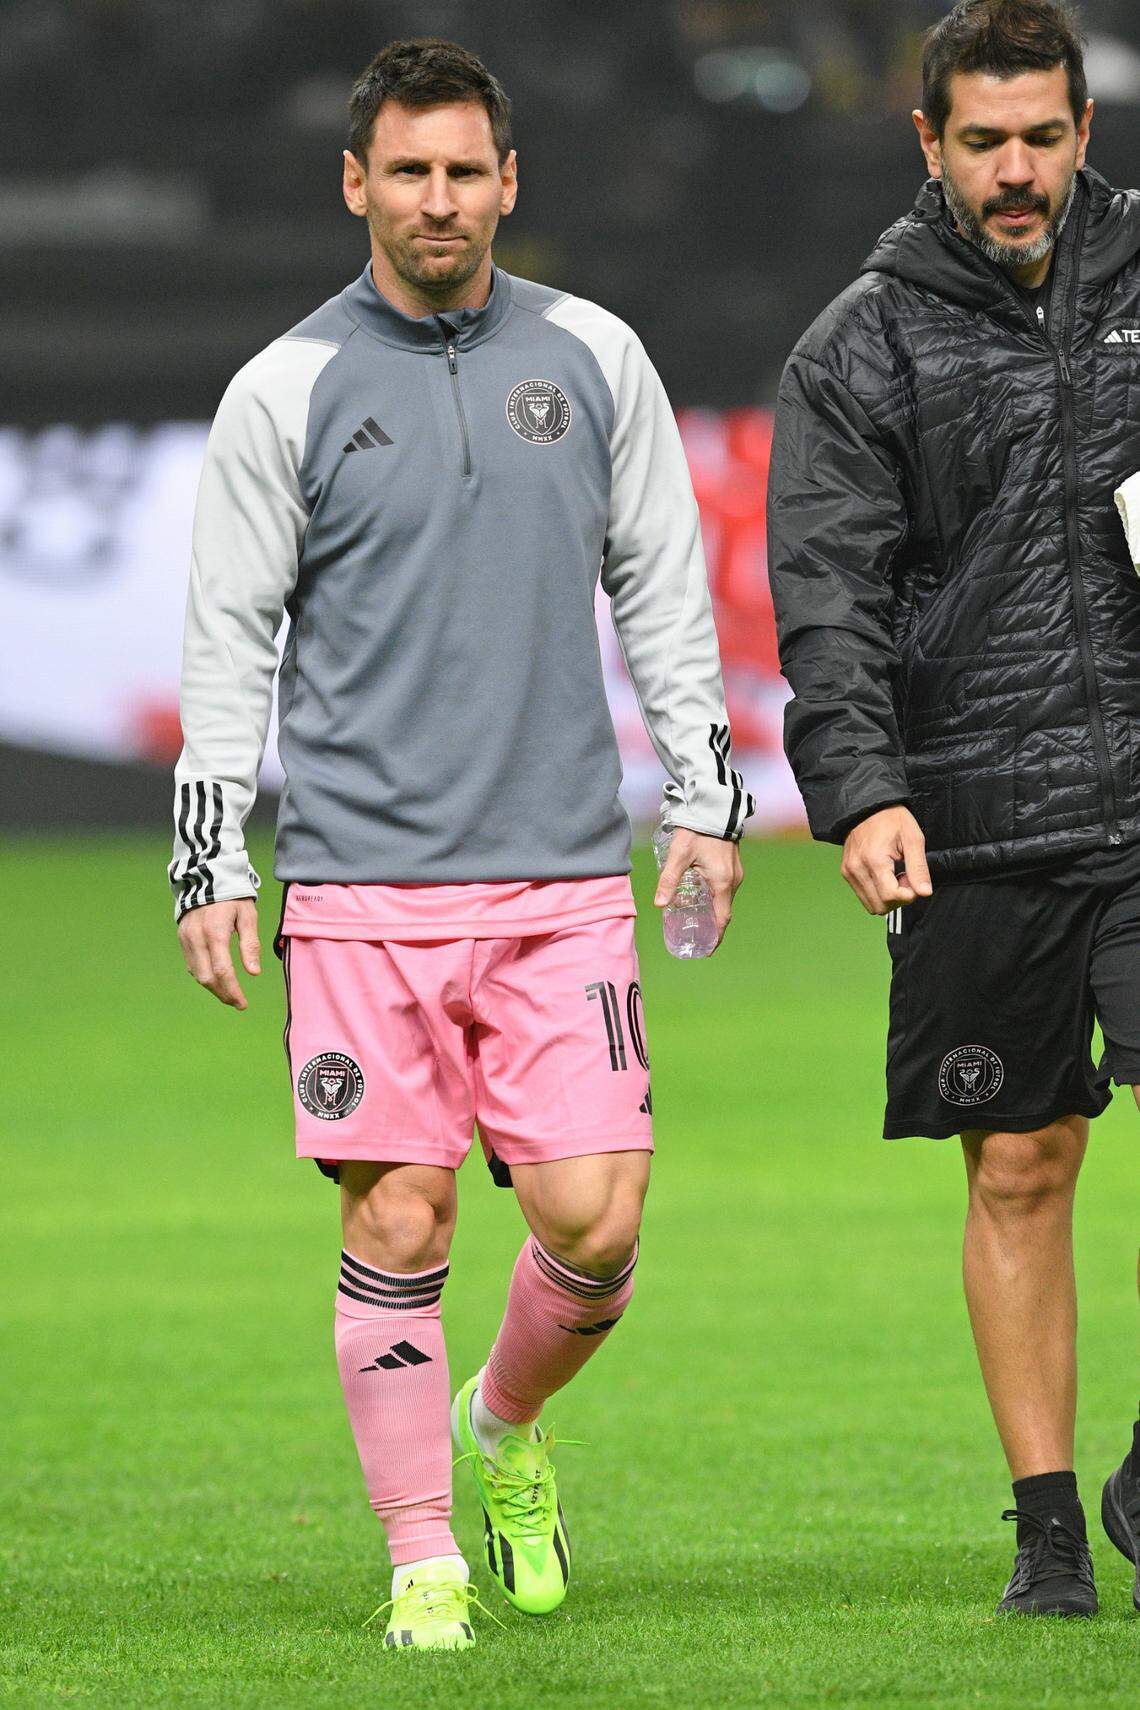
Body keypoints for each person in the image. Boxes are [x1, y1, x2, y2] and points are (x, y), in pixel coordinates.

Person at [168, 37, 750, 1652]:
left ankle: (502, 1423)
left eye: (465, 170)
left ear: (510, 183)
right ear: (356, 184)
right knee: (400, 1221)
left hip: (563, 878)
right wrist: (212, 857)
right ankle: (421, 1551)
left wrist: (704, 797)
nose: (439, 198)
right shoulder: (284, 389)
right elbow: (227, 636)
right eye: (409, 171)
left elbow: (663, 588)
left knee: (598, 1221)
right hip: (361, 888)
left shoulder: (598, 357)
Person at [768, 0, 1140, 1619]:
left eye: (1043, 136)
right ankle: (1050, 1526)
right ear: (928, 141)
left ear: (1084, 132)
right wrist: (862, 791)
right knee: (1021, 1164)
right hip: (984, 808)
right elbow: (829, 598)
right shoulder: (861, 346)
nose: (1017, 171)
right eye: (983, 141)